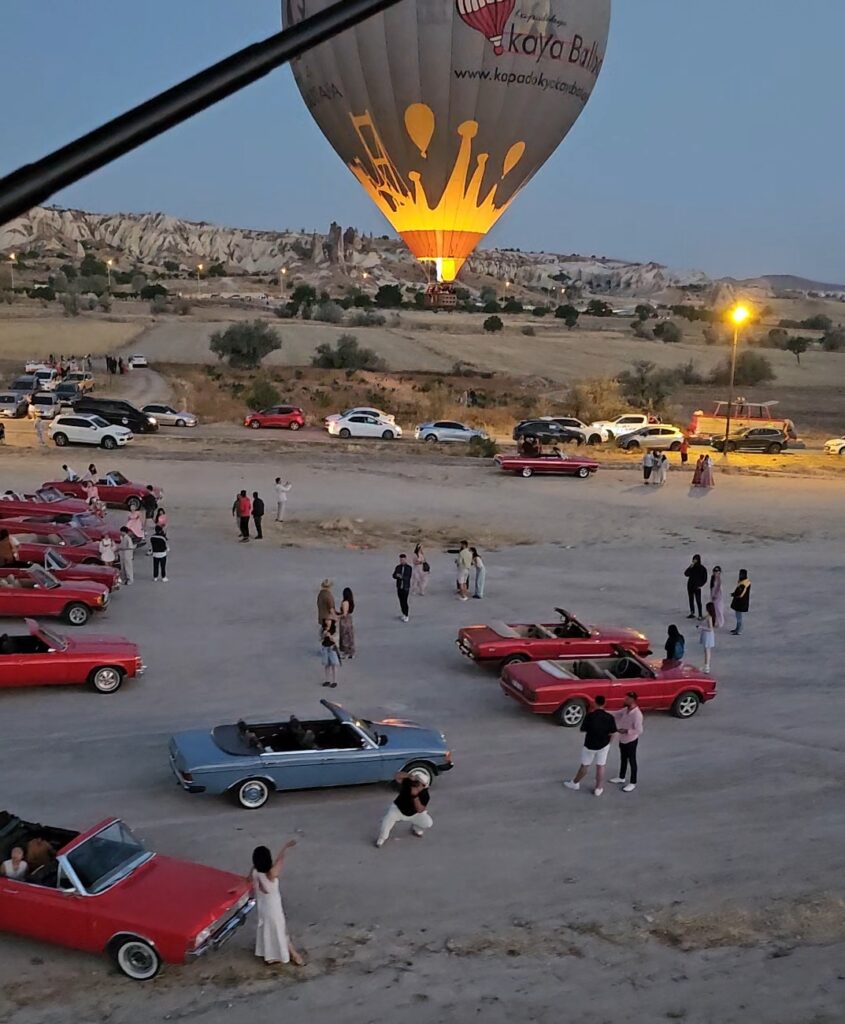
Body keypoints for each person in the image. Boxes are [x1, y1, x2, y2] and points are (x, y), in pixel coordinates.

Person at [250, 842, 305, 967]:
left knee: (268, 930)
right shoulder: (271, 874)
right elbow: (280, 862)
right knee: (280, 931)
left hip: (263, 908)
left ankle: (271, 956)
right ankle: (293, 955)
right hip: (274, 908)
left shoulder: (255, 872)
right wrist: (285, 848)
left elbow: (248, 880)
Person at [564, 695, 618, 797]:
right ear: (604, 703)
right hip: (603, 745)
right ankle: (598, 788)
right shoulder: (610, 717)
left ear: (595, 703)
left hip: (589, 745)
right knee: (601, 766)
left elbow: (582, 729)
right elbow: (613, 733)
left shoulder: (590, 716)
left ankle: (575, 783)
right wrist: (608, 743)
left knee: (585, 765)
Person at [375, 771, 433, 847]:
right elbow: (397, 776)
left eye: (419, 783)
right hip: (397, 810)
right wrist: (409, 776)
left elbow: (420, 810)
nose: (416, 784)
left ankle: (416, 829)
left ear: (424, 786)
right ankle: (382, 838)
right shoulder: (409, 782)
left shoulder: (425, 795)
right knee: (386, 822)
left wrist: (415, 796)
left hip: (414, 814)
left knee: (428, 823)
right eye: (416, 781)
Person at [610, 692, 644, 792]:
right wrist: (602, 711)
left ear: (632, 700)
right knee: (623, 759)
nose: (624, 700)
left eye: (627, 699)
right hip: (623, 739)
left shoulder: (637, 715)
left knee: (632, 761)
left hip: (631, 741)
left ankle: (633, 782)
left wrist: (626, 731)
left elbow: (639, 730)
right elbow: (616, 714)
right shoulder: (626, 710)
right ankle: (621, 777)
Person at [684, 554, 708, 619]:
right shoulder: (692, 567)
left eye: (696, 559)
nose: (694, 561)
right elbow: (686, 574)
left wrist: (700, 585)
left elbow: (705, 578)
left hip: (697, 587)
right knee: (691, 600)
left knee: (698, 601)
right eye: (694, 559)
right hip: (690, 586)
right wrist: (690, 567)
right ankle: (692, 612)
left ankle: (700, 614)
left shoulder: (702, 568)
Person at [730, 569, 751, 635]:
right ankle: (737, 629)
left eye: (741, 574)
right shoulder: (745, 581)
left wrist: (733, 594)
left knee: (739, 617)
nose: (740, 575)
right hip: (741, 602)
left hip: (740, 603)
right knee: (738, 616)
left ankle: (739, 630)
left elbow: (740, 594)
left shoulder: (743, 584)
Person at [320, 617, 340, 688]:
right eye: (326, 620)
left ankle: (334, 681)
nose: (327, 622)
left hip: (332, 648)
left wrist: (330, 636)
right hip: (325, 647)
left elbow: (336, 639)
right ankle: (327, 680)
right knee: (326, 665)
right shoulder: (323, 629)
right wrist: (323, 635)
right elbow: (320, 638)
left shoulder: (334, 629)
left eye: (329, 620)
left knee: (334, 664)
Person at [392, 553, 412, 622]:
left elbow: (408, 577)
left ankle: (406, 615)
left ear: (406, 559)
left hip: (405, 587)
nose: (402, 561)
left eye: (403, 560)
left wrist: (400, 576)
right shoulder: (398, 567)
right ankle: (403, 613)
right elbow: (394, 575)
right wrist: (397, 576)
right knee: (401, 601)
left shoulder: (409, 568)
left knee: (405, 601)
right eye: (401, 560)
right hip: (399, 587)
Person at [698, 601, 716, 672]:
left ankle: (706, 667)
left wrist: (701, 627)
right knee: (707, 651)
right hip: (707, 635)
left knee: (707, 651)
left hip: (707, 635)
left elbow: (710, 628)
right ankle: (706, 665)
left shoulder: (709, 617)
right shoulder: (709, 616)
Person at [338, 587, 355, 659]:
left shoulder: (345, 602)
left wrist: (337, 616)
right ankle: (351, 652)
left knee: (345, 635)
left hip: (345, 620)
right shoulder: (351, 602)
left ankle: (346, 652)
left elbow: (344, 614)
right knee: (349, 635)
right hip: (349, 619)